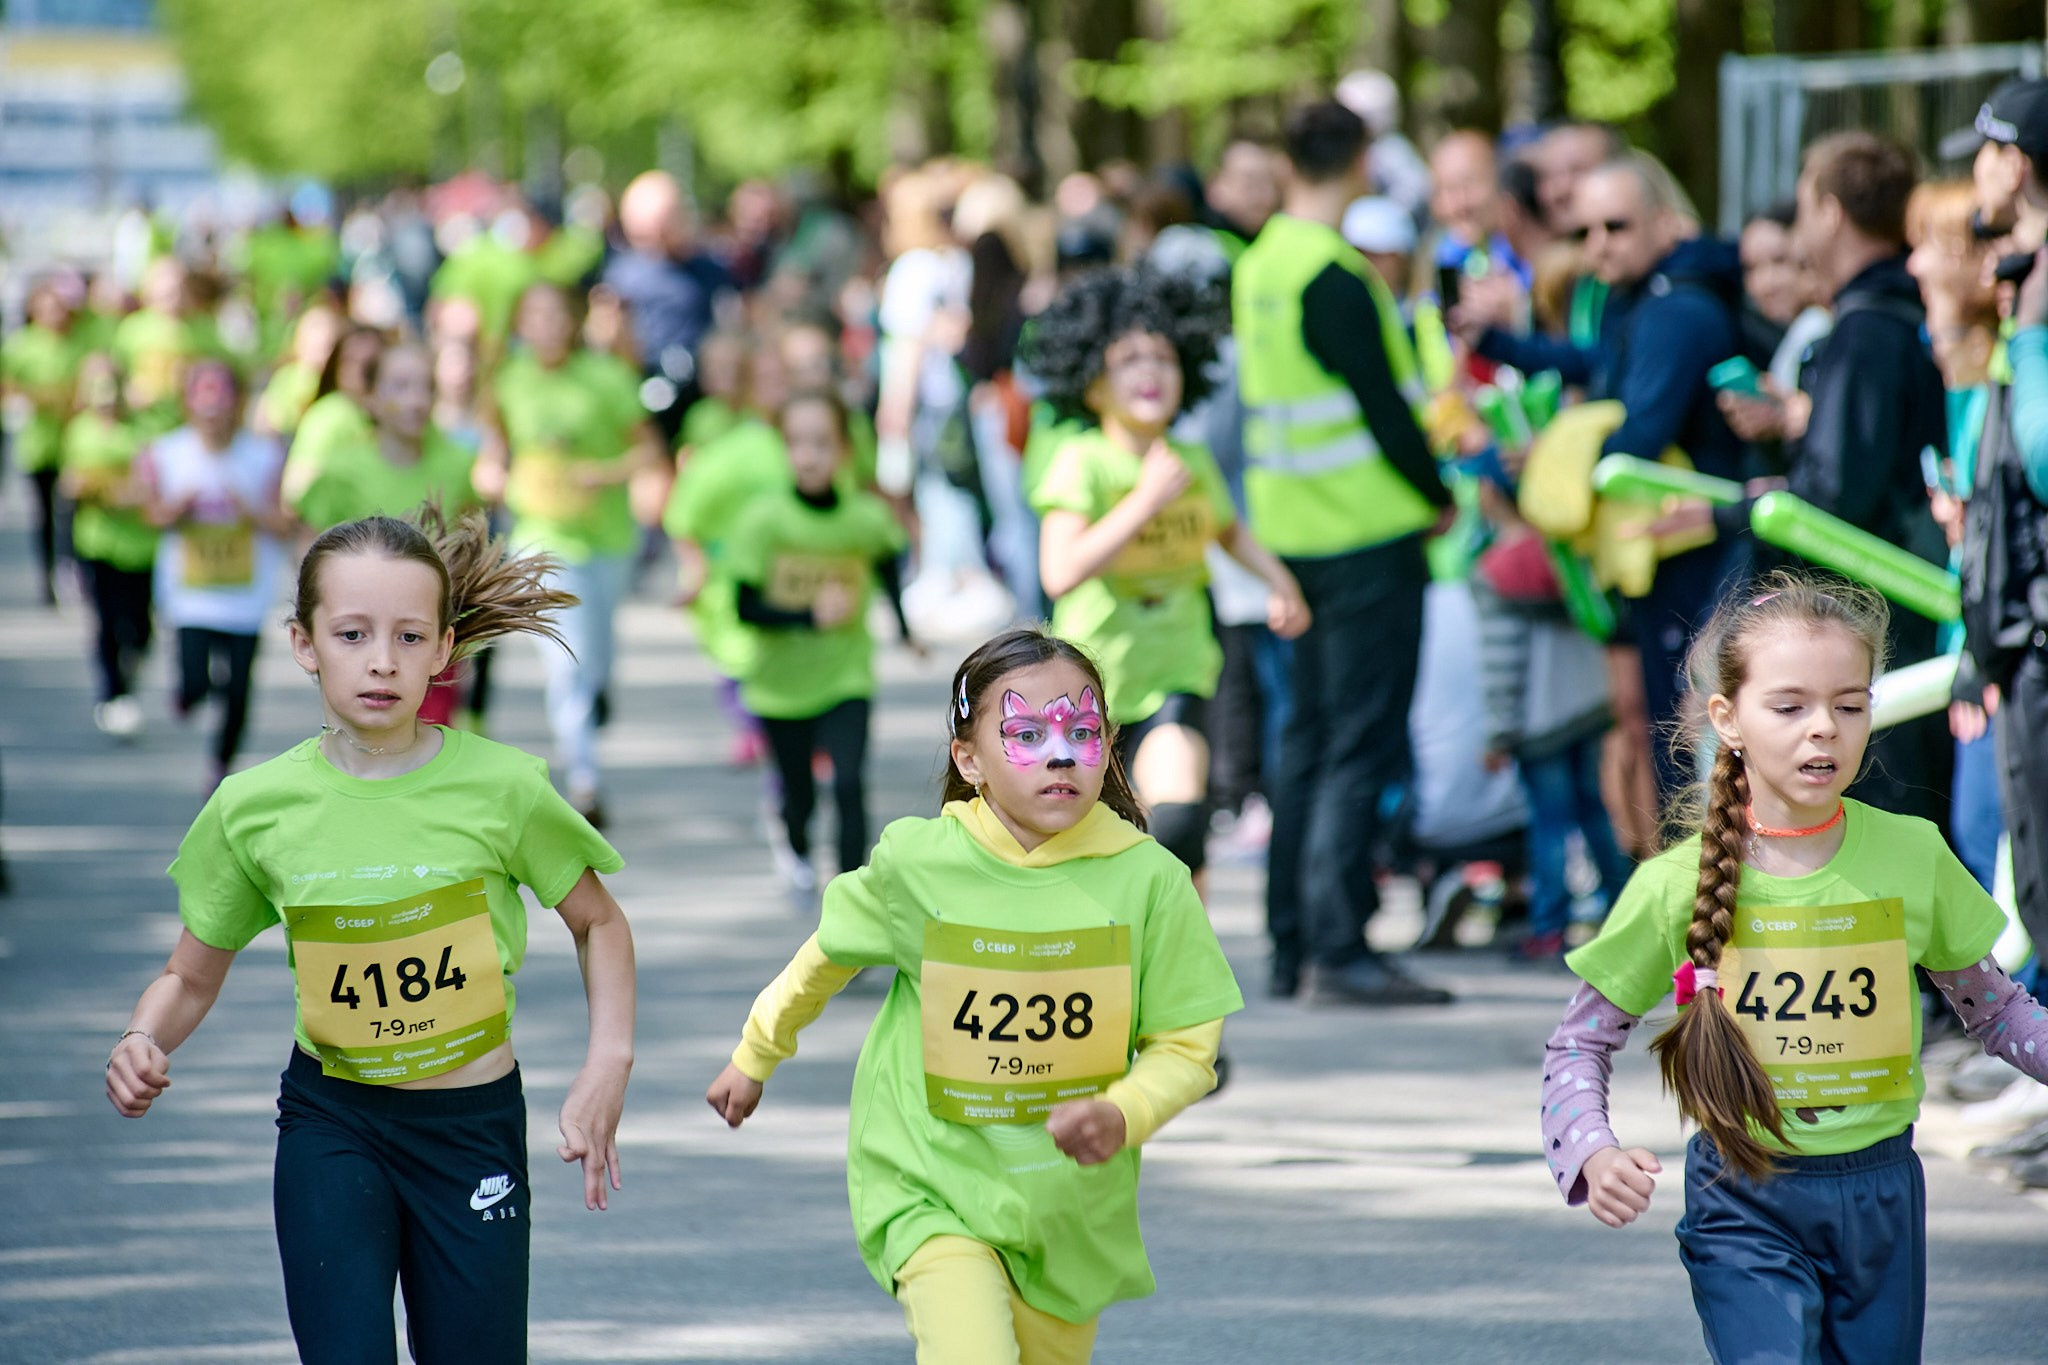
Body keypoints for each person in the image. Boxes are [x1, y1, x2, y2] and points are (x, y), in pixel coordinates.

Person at [105, 508, 634, 1365]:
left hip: (471, 1127)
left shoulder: (503, 789)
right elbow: (190, 974)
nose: (382, 659)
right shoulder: (254, 807)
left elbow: (599, 923)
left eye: (407, 635)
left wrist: (606, 1063)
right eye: (352, 633)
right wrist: (143, 1034)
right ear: (304, 643)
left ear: (443, 649)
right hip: (332, 1120)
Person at [1540, 573, 2048, 1363]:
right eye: (1790, 706)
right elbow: (1579, 1041)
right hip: (1743, 1195)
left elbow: (1997, 1009)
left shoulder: (1913, 852)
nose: (1824, 730)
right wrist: (1590, 1148)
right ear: (1728, 719)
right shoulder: (1673, 883)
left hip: (1881, 1193)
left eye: (1850, 705)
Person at [705, 627, 1243, 1365]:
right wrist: (754, 1053)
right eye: (1026, 732)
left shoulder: (1151, 881)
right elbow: (821, 960)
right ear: (969, 758)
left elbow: (1187, 1044)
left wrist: (1123, 1111)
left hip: (1066, 1210)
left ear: (1110, 746)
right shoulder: (917, 863)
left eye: (1083, 732)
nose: (1060, 754)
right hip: (930, 1184)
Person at [1232, 100, 1455, 1004]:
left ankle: (1293, 943)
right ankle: (1341, 947)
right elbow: (1383, 406)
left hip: (1290, 534)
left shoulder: (1259, 265)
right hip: (1366, 533)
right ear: (1361, 160)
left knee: (1307, 739)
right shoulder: (1337, 273)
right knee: (1358, 742)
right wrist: (1437, 495)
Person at [1024, 266, 1309, 882]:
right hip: (1090, 687)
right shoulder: (1083, 462)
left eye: (1163, 357)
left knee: (1177, 828)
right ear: (1093, 382)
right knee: (1105, 851)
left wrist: (1279, 582)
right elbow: (1059, 570)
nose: (1150, 370)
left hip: (1181, 666)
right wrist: (1144, 502)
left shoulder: (1191, 460)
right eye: (1128, 358)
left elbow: (1226, 530)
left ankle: (1183, 968)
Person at [1723, 132, 1953, 829]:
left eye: (1801, 210)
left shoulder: (1865, 329)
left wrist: (1744, 512)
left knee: (1891, 808)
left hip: (1882, 609)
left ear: (1828, 211)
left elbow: (1834, 494)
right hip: (1908, 599)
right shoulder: (1897, 316)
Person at [474, 282, 666, 824]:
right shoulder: (510, 381)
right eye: (533, 316)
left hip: (606, 538)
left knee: (596, 653)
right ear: (520, 325)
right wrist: (491, 474)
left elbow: (649, 449)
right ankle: (585, 779)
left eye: (556, 315)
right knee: (566, 660)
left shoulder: (606, 378)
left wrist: (602, 474)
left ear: (573, 322)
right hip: (542, 536)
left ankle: (596, 694)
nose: (546, 326)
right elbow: (495, 449)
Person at [729, 391, 913, 899]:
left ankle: (851, 897)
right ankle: (793, 837)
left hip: (845, 675)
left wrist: (904, 627)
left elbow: (886, 560)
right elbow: (744, 607)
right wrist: (809, 615)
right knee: (800, 797)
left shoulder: (863, 517)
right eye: (796, 443)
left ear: (844, 452)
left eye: (822, 443)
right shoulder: (764, 520)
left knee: (850, 784)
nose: (809, 456)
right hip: (780, 686)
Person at [1905, 181, 2004, 892]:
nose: (1911, 265)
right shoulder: (1959, 375)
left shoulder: (2007, 377)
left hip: (1994, 653)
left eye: (1927, 247)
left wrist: (1983, 656)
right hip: (1969, 644)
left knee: (1991, 837)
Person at [141, 360, 293, 791]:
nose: (213, 415)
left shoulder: (264, 455)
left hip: (245, 593)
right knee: (194, 683)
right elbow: (151, 513)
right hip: (191, 592)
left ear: (237, 405)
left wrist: (251, 512)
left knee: (240, 689)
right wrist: (174, 510)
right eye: (203, 404)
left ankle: (220, 765)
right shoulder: (167, 452)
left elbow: (283, 522)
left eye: (221, 403)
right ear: (187, 405)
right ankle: (188, 696)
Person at [664, 338, 792, 767]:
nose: (778, 389)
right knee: (740, 667)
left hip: (798, 589)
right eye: (767, 380)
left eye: (785, 378)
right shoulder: (729, 452)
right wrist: (695, 568)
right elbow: (683, 513)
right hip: (738, 589)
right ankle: (759, 733)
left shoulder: (823, 444)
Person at [60, 352, 155, 739]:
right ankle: (111, 693)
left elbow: (151, 484)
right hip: (96, 541)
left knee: (140, 625)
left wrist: (128, 495)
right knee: (104, 621)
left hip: (139, 544)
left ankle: (130, 667)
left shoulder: (142, 432)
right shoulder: (79, 431)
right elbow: (68, 483)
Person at [604, 171, 738, 446]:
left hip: (704, 383)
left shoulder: (710, 267)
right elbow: (611, 338)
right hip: (649, 382)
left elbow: (732, 321)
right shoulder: (625, 275)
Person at [2, 272, 83, 604]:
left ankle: (70, 570)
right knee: (43, 513)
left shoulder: (77, 344)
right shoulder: (22, 345)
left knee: (70, 512)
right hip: (37, 442)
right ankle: (47, 574)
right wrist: (28, 397)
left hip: (73, 443)